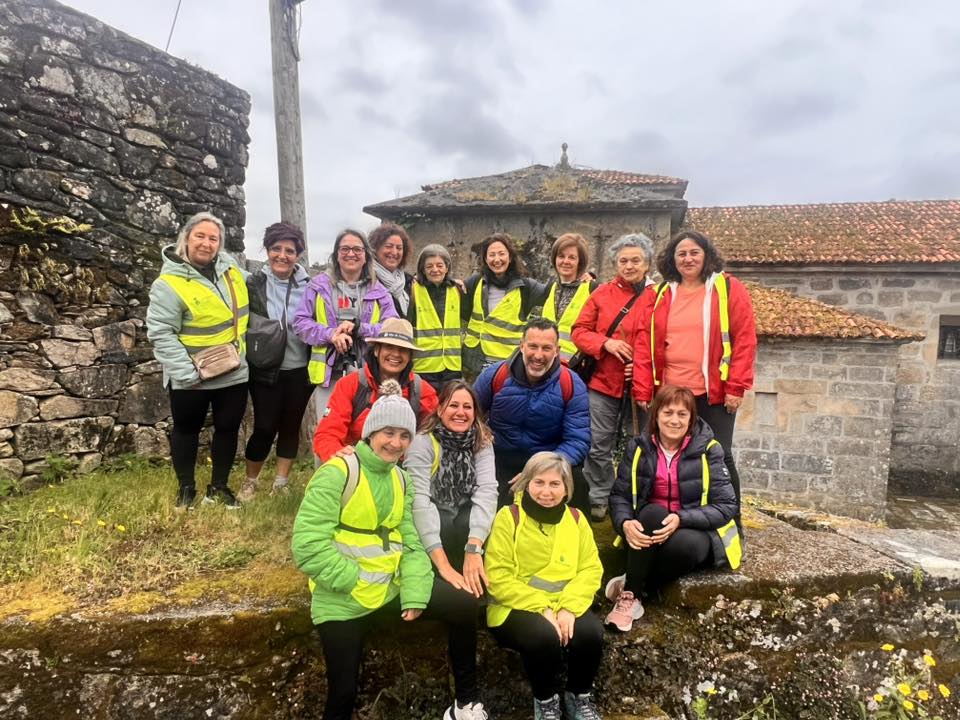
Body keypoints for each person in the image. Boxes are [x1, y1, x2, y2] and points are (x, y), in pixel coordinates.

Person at [292, 381, 488, 720]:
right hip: (342, 596)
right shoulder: (337, 472)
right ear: (371, 432)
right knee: (343, 691)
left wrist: (414, 591)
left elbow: (411, 541)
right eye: (388, 433)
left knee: (463, 603)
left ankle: (465, 704)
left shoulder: (401, 479)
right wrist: (351, 579)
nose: (395, 443)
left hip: (388, 588)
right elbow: (308, 545)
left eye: (404, 436)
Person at [632, 229, 757, 512]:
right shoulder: (658, 294)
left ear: (706, 255)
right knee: (664, 455)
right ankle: (672, 516)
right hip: (669, 392)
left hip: (713, 393)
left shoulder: (728, 289)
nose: (688, 259)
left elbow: (744, 340)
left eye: (694, 253)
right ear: (672, 259)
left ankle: (730, 520)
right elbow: (643, 343)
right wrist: (643, 389)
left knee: (719, 455)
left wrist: (736, 387)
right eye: (681, 254)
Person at [605, 385, 742, 633]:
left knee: (686, 546)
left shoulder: (709, 449)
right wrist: (624, 523)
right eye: (668, 413)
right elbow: (620, 496)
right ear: (656, 415)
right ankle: (631, 598)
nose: (674, 420)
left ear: (691, 419)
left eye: (682, 414)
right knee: (652, 512)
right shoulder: (638, 447)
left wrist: (680, 518)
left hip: (694, 528)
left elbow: (726, 505)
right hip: (651, 526)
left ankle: (634, 585)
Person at [485, 452, 604, 720]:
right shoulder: (508, 517)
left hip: (565, 603)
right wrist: (542, 608)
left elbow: (591, 568)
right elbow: (497, 575)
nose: (546, 492)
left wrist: (569, 607)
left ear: (566, 489)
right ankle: (546, 702)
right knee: (543, 636)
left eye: (554, 484)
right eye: (539, 482)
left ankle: (578, 697)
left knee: (591, 634)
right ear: (526, 483)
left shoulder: (576, 519)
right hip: (514, 606)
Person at [146, 211, 248, 510]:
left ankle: (219, 487)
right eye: (200, 236)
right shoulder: (168, 283)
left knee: (228, 428)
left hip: (233, 369)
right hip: (192, 373)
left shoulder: (232, 272)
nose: (206, 243)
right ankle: (186, 488)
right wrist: (186, 372)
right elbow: (161, 332)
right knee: (186, 429)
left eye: (213, 238)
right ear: (186, 238)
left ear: (220, 244)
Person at [571, 233, 656, 522]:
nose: (629, 266)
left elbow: (663, 338)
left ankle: (637, 497)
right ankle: (599, 496)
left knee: (641, 442)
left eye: (636, 261)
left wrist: (643, 368)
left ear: (647, 264)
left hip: (642, 386)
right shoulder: (601, 294)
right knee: (598, 443)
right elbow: (579, 331)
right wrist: (605, 343)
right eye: (623, 261)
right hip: (603, 382)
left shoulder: (658, 296)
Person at [474, 318, 590, 508]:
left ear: (557, 350)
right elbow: (470, 417)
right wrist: (482, 434)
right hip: (499, 458)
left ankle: (578, 527)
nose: (538, 355)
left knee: (579, 484)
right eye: (533, 346)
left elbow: (578, 439)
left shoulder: (572, 384)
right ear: (522, 346)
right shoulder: (495, 375)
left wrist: (541, 469)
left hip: (548, 459)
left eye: (546, 348)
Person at [240, 222, 312, 500]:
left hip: (300, 368)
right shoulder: (253, 283)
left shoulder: (310, 287)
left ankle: (281, 483)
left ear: (298, 255)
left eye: (289, 251)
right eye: (276, 249)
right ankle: (251, 481)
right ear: (267, 250)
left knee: (291, 426)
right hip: (265, 368)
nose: (282, 255)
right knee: (264, 426)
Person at [406, 380, 498, 597]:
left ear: (475, 412)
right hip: (433, 515)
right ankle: (442, 582)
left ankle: (480, 589)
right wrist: (443, 565)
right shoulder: (422, 442)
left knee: (484, 523)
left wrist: (474, 546)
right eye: (453, 405)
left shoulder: (482, 441)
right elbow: (418, 501)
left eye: (467, 407)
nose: (461, 412)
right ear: (440, 410)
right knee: (445, 524)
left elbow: (487, 491)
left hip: (465, 512)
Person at [293, 229, 398, 417]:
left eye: (357, 249)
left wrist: (360, 329)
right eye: (345, 249)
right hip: (329, 375)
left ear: (366, 256)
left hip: (368, 374)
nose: (351, 254)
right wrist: (331, 334)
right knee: (330, 426)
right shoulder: (318, 286)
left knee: (364, 428)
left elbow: (393, 328)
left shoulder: (379, 291)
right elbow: (300, 323)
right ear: (336, 254)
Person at [312, 318, 438, 463]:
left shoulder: (422, 390)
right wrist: (339, 456)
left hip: (403, 467)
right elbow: (327, 435)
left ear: (410, 356)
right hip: (358, 463)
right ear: (377, 350)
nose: (396, 354)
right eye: (389, 347)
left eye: (403, 349)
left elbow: (436, 435)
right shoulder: (350, 385)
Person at [462, 233, 548, 375]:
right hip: (477, 363)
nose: (497, 259)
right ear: (485, 259)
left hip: (510, 364)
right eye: (492, 255)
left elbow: (553, 291)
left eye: (501, 254)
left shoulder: (526, 287)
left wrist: (581, 277)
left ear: (510, 257)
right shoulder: (475, 282)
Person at [408, 244, 465, 390]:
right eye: (429, 266)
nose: (435, 270)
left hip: (452, 367)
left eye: (440, 265)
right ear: (422, 269)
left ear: (447, 268)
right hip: (423, 368)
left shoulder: (457, 290)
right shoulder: (412, 290)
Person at [541, 233, 597, 364]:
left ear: (580, 262)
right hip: (546, 365)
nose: (565, 261)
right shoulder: (550, 288)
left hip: (576, 367)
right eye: (561, 256)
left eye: (572, 257)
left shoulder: (592, 289)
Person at [369, 222, 415, 316]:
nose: (394, 252)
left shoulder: (410, 282)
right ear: (375, 249)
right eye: (388, 246)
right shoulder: (367, 279)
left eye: (399, 248)